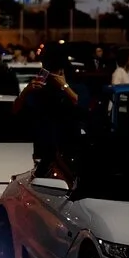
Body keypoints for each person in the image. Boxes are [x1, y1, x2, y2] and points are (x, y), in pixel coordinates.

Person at [14, 42, 82, 180]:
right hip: (42, 155)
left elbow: (81, 105)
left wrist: (65, 86)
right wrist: (26, 91)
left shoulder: (75, 88)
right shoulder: (39, 92)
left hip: (68, 155)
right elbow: (15, 111)